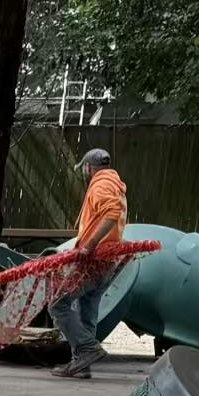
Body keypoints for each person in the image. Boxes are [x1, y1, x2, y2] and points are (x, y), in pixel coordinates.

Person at [48, 148, 128, 379]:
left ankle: (86, 349)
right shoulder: (116, 185)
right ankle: (82, 364)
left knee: (58, 304)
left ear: (88, 167)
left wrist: (89, 245)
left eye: (83, 168)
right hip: (107, 261)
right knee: (87, 307)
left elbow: (111, 213)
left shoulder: (101, 184)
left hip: (94, 259)